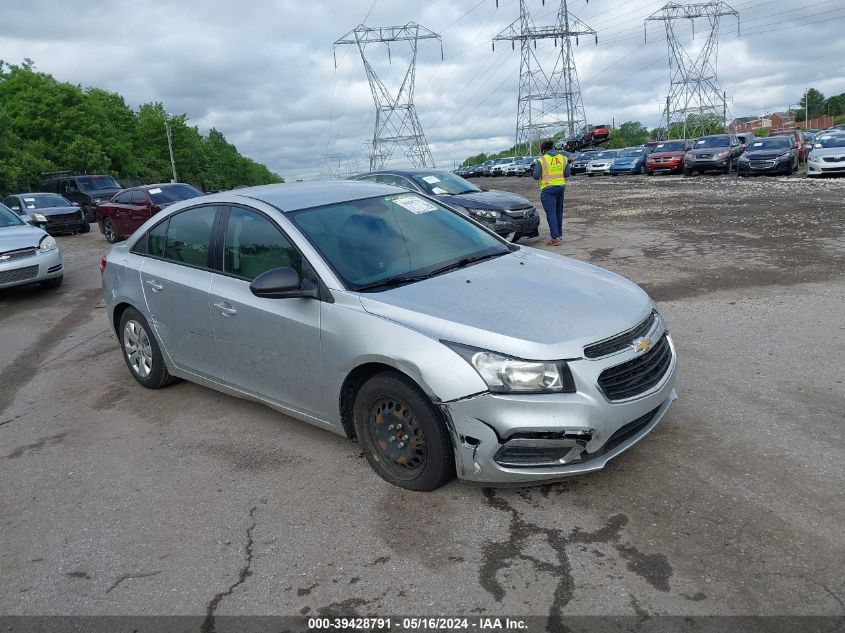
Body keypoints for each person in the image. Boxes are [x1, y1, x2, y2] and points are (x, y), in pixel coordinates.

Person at [532, 140, 570, 246]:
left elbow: (536, 176)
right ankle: (559, 235)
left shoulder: (541, 160)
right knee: (558, 212)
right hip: (561, 187)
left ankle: (555, 238)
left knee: (551, 213)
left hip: (548, 188)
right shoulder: (563, 158)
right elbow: (567, 174)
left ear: (543, 150)